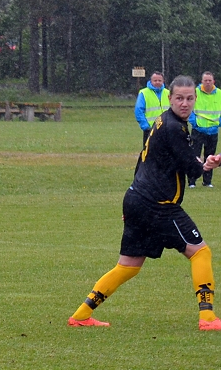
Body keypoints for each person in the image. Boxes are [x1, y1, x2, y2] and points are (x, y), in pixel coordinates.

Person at [68, 75, 221, 331]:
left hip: (137, 199)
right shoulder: (174, 128)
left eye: (189, 98)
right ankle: (207, 318)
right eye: (179, 98)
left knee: (128, 266)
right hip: (159, 205)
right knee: (200, 252)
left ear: (195, 99)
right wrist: (208, 164)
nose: (185, 103)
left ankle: (81, 315)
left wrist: (132, 204)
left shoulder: (162, 120)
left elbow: (142, 160)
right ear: (170, 98)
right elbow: (192, 168)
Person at [189, 71, 221, 188]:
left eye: (210, 80)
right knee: (194, 155)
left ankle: (207, 181)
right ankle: (192, 181)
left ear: (214, 81)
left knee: (210, 156)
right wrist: (194, 122)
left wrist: (218, 123)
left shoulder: (219, 94)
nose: (208, 82)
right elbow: (189, 108)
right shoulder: (195, 93)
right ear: (201, 82)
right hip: (198, 130)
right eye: (205, 80)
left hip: (213, 131)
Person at [135, 71, 169, 147]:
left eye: (159, 80)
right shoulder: (144, 93)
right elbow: (138, 111)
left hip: (166, 129)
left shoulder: (168, 93)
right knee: (149, 154)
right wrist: (145, 126)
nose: (157, 82)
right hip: (150, 129)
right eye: (155, 80)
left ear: (163, 81)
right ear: (151, 81)